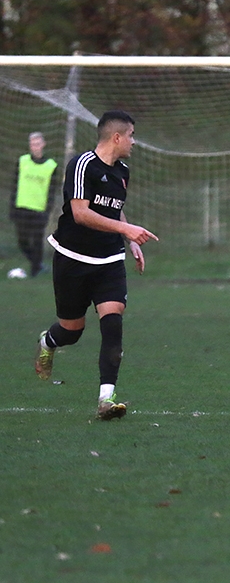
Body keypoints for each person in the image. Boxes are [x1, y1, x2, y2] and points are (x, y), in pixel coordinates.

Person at [34, 110, 158, 420]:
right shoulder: (82, 165)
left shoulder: (123, 172)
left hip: (109, 260)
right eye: (131, 135)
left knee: (113, 322)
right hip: (72, 259)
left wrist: (129, 241)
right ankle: (48, 342)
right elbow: (80, 213)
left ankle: (106, 398)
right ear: (117, 137)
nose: (133, 141)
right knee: (71, 330)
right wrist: (125, 230)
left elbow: (116, 212)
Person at [9, 132, 59, 277]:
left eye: (37, 144)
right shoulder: (22, 161)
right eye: (32, 144)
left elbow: (52, 190)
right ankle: (37, 264)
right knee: (22, 241)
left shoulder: (51, 166)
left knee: (37, 241)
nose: (35, 147)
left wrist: (47, 211)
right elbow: (15, 184)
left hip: (39, 210)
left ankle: (35, 271)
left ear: (43, 145)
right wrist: (12, 207)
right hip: (22, 207)